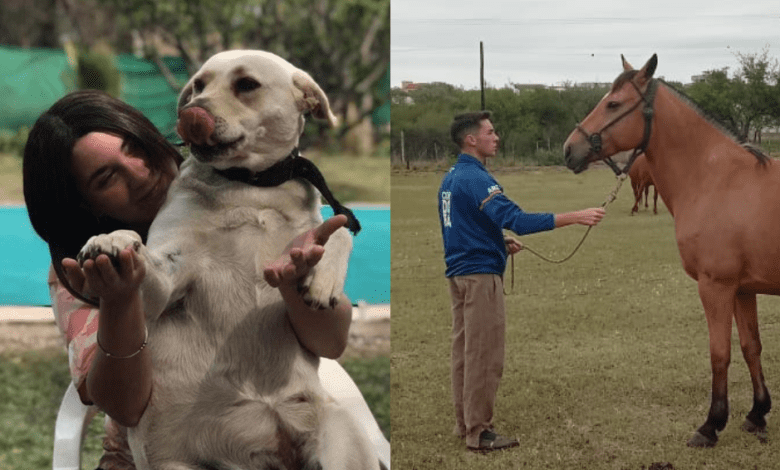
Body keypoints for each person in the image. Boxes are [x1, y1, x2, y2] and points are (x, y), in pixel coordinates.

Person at [23, 90, 353, 470]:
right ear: (85, 206)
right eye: (107, 177)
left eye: (136, 148)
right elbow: (126, 407)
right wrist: (119, 301)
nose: (139, 173)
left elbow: (330, 342)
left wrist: (296, 283)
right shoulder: (86, 271)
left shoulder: (246, 201)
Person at [438, 111, 605, 453]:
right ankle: (479, 432)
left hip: (459, 274)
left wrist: (498, 243)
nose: (496, 137)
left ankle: (465, 423)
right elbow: (518, 220)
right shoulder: (477, 179)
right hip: (480, 277)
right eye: (490, 132)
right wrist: (576, 216)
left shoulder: (451, 178)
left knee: (465, 353)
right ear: (471, 139)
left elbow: (461, 226)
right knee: (484, 355)